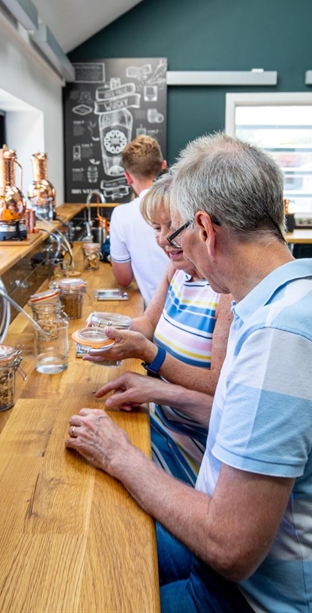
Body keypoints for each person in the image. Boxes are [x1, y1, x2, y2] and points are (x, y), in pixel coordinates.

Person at [67, 133, 312, 613]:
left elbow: (230, 549)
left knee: (97, 586)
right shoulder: (301, 298)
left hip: (261, 597)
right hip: (249, 572)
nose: (177, 248)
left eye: (179, 234)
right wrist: (159, 392)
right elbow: (243, 416)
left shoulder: (282, 339)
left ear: (205, 229)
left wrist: (120, 455)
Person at [85, 174, 232, 486]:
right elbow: (149, 324)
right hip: (159, 417)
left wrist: (149, 354)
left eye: (171, 227)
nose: (163, 239)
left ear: (198, 225)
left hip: (194, 444)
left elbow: (218, 386)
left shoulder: (225, 293)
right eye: (156, 228)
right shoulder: (177, 271)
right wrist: (109, 326)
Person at [109, 135, 170, 303]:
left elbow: (123, 279)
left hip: (159, 317)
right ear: (164, 166)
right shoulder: (185, 202)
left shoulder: (121, 216)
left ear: (127, 177)